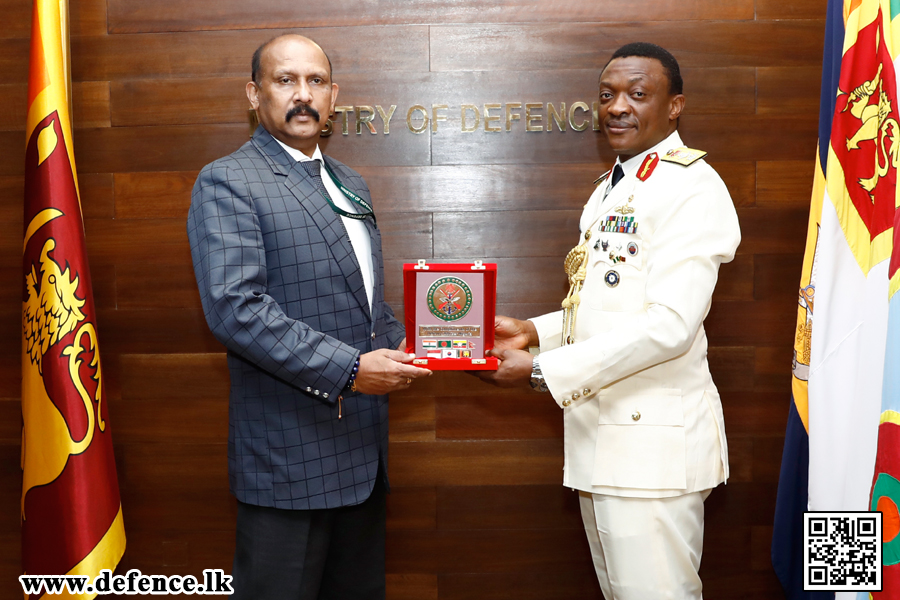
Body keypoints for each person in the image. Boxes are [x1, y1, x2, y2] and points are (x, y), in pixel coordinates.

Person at [477, 42, 741, 599]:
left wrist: (542, 370)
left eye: (638, 94)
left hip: (653, 455)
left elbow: (670, 324)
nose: (618, 106)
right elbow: (608, 304)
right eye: (607, 95)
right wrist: (535, 331)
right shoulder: (612, 186)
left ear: (675, 106)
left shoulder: (692, 186)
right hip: (604, 444)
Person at [186, 34, 430, 600]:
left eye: (316, 82)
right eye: (285, 80)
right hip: (288, 464)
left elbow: (366, 306)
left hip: (362, 460)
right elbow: (236, 309)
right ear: (254, 94)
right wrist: (350, 370)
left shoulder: (351, 182)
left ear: (333, 95)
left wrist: (435, 342)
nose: (303, 95)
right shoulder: (228, 180)